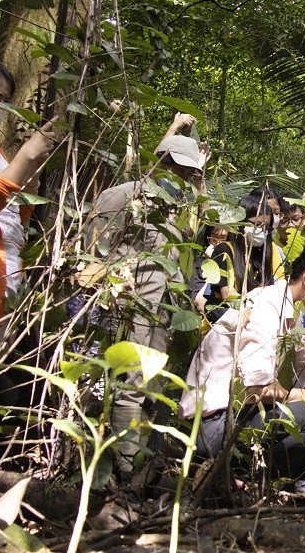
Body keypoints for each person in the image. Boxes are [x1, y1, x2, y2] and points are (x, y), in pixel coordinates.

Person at [180, 239, 305, 491]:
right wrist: (304, 395)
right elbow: (257, 389)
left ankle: (248, 480)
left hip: (228, 421)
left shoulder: (285, 308)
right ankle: (238, 476)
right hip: (214, 427)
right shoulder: (268, 307)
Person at [88, 133, 207, 472]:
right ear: (159, 163)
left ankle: (136, 465)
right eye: (176, 169)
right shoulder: (122, 196)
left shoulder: (176, 210)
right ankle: (123, 470)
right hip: (128, 306)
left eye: (188, 174)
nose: (181, 178)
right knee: (126, 385)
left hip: (162, 313)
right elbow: (96, 249)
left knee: (149, 390)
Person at [0, 51, 55, 397]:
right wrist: (25, 154)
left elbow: (14, 216)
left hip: (3, 283)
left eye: (5, 101)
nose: (0, 108)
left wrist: (32, 170)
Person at [202, 190, 286, 323]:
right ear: (240, 223)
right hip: (225, 325)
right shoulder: (224, 250)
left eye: (266, 228)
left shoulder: (262, 255)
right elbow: (227, 294)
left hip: (255, 322)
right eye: (257, 225)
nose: (261, 231)